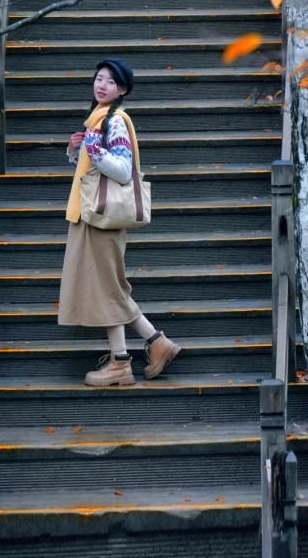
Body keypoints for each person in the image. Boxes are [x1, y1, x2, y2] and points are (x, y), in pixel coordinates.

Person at [58, 56, 181, 386]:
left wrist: (94, 149)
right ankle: (152, 345)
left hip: (102, 219)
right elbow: (91, 174)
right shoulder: (97, 119)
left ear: (122, 89)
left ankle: (123, 362)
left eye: (110, 81)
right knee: (107, 289)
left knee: (109, 289)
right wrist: (76, 152)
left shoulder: (114, 121)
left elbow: (123, 171)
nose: (101, 85)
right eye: (99, 78)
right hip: (92, 215)